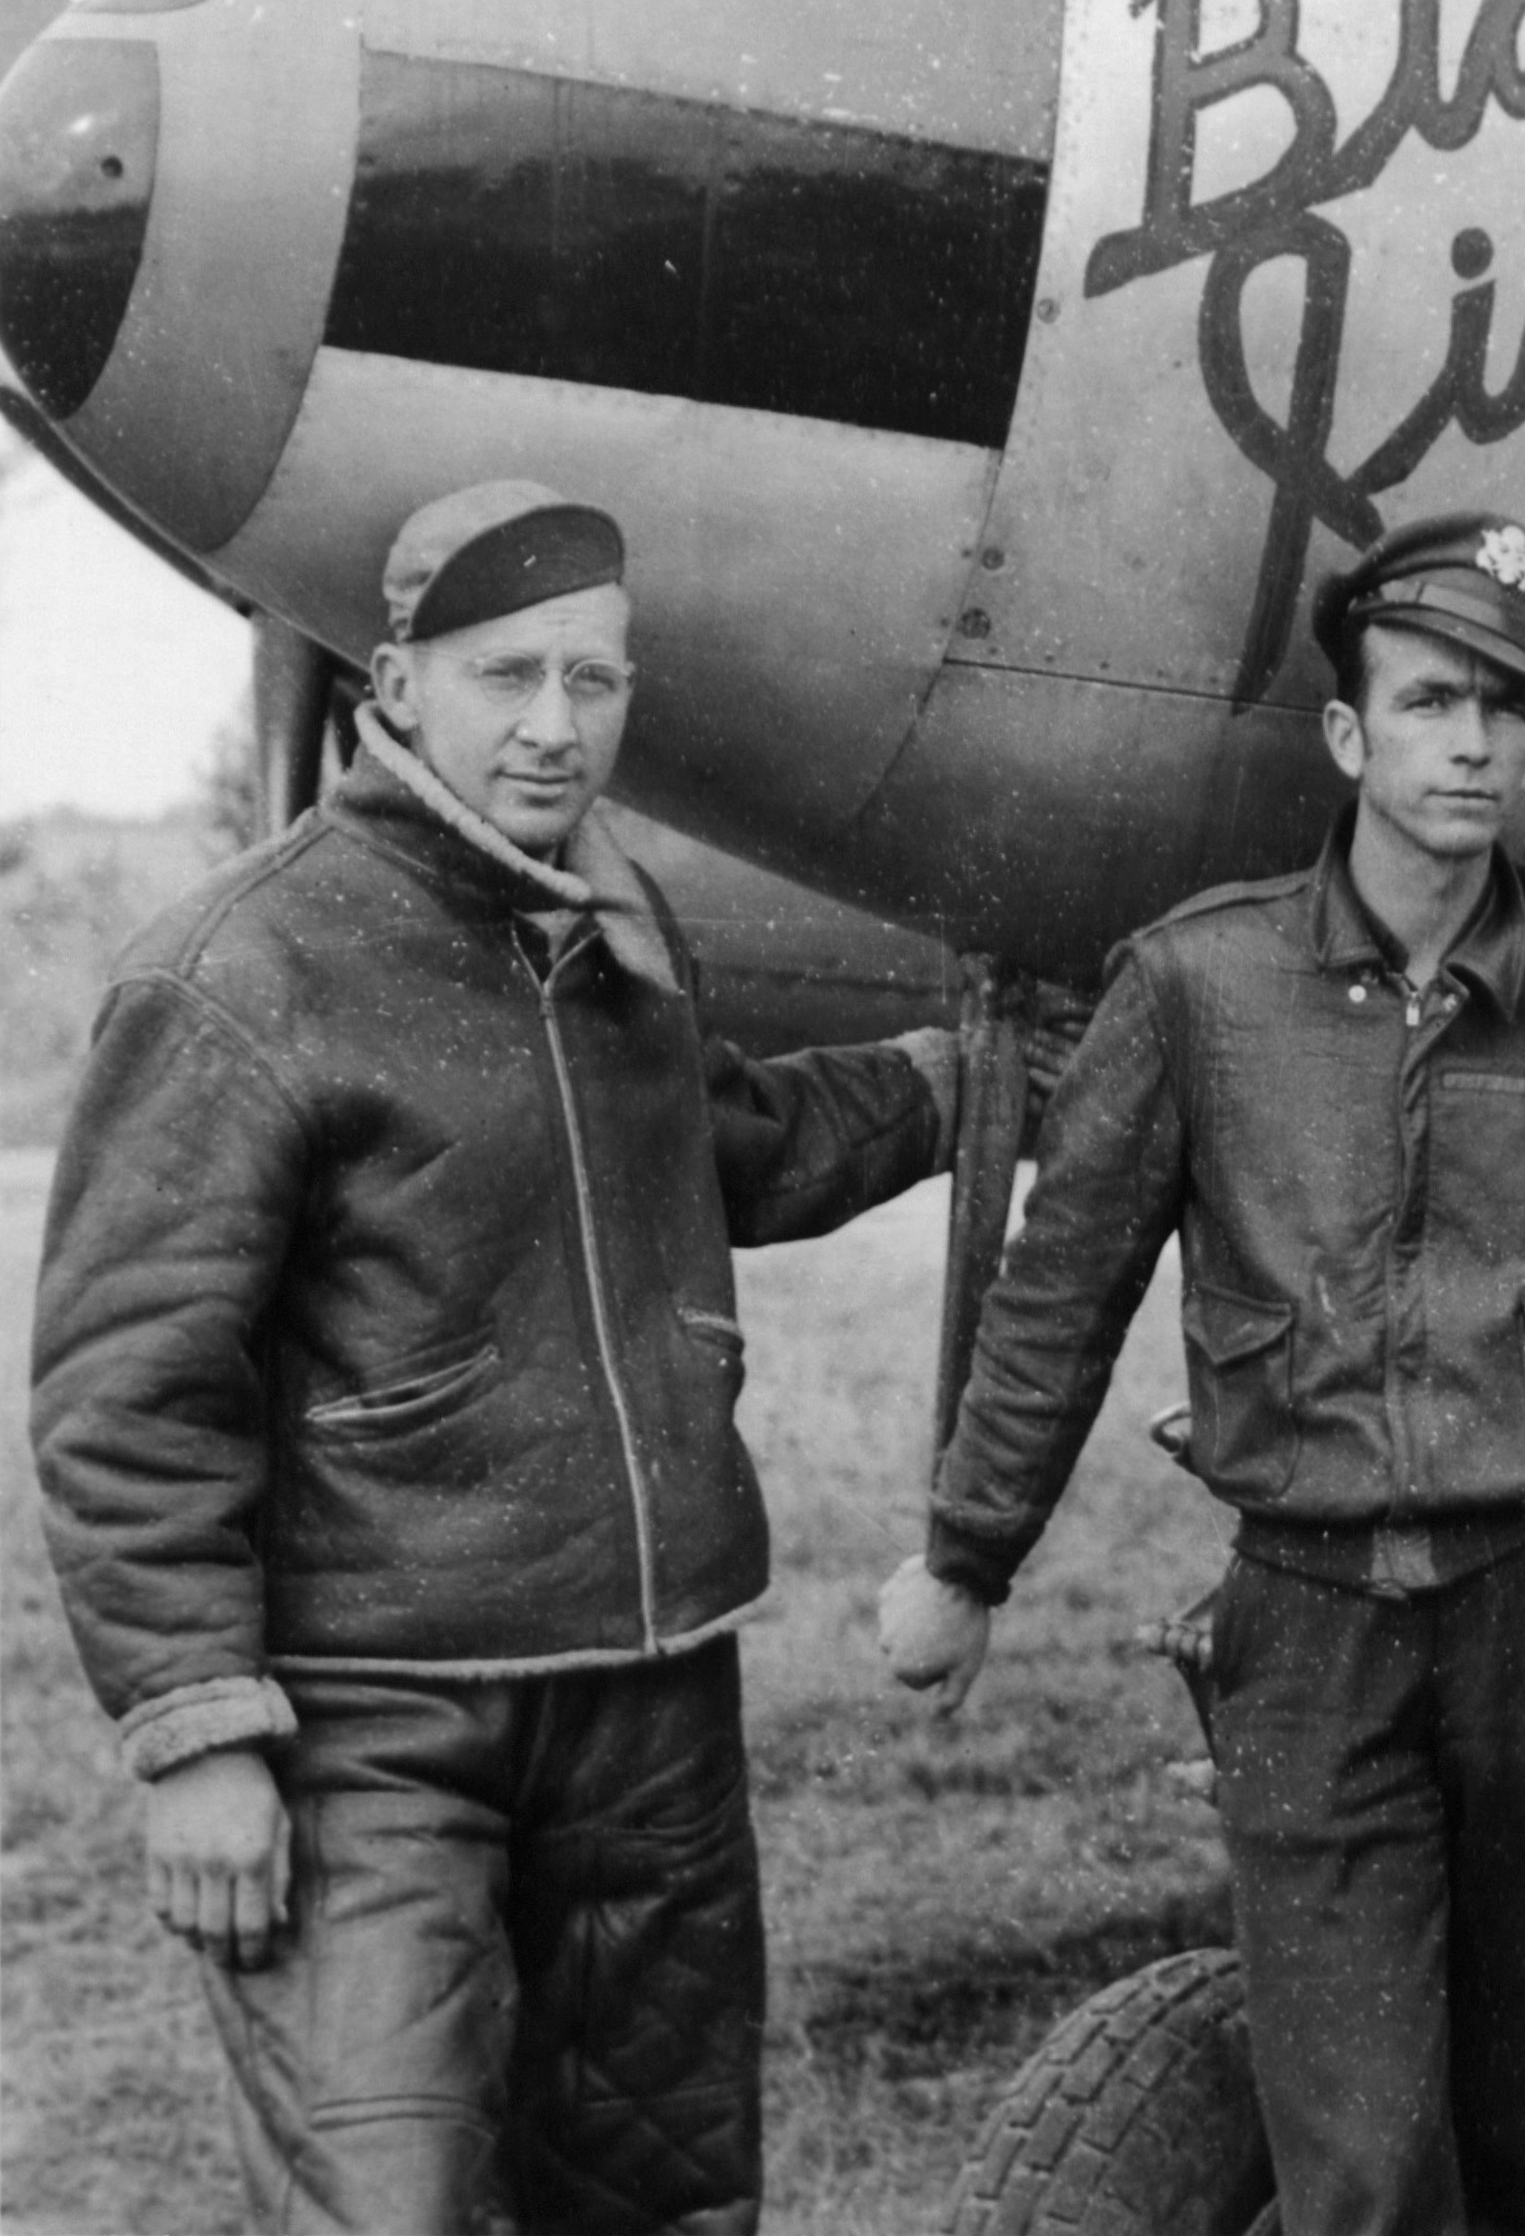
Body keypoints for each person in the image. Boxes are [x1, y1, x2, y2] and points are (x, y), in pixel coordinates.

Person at [876, 510, 1525, 2236]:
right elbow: (1061, 1289)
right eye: (1427, 700)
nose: (1467, 741)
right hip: (1308, 1633)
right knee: (1368, 2163)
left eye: (1505, 711)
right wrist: (966, 1555)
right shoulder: (1194, 983)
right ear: (1350, 733)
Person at [28, 479, 963, 2236]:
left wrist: (956, 1080)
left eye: (594, 681)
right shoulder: (242, 966)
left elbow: (733, 1145)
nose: (554, 724)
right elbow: (125, 1389)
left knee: (659, 2203)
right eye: (506, 673)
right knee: (389, 2207)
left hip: (647, 1700)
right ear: (398, 678)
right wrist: (195, 1733)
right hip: (372, 1721)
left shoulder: (611, 925)